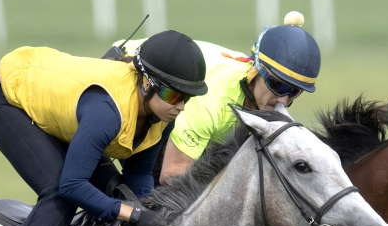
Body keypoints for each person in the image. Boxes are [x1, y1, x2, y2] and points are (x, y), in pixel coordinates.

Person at [0, 30, 208, 226]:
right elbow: (72, 186)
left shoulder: (161, 118)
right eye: (174, 95)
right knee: (57, 192)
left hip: (68, 115)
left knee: (117, 190)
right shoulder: (107, 112)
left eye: (188, 98)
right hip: (13, 104)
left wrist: (142, 208)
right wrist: (135, 214)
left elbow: (139, 175)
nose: (180, 106)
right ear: (145, 83)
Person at [121, 12, 321, 184]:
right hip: (128, 76)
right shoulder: (213, 99)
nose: (283, 102)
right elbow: (172, 174)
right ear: (254, 71)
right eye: (277, 85)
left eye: (294, 92)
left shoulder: (266, 99)